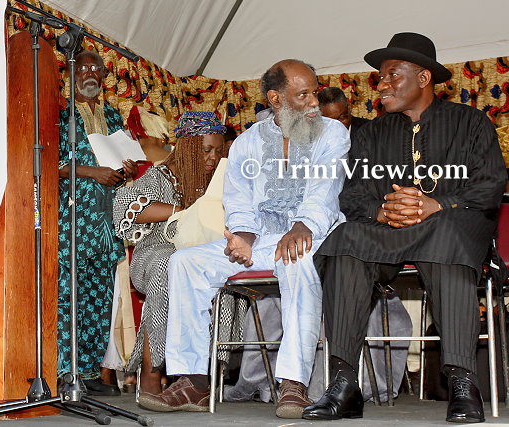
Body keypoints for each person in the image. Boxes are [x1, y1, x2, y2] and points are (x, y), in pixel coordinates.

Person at [303, 33, 506, 423]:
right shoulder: (371, 133)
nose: (381, 84)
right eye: (380, 77)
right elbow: (352, 195)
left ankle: (462, 382)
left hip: (448, 227)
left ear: (424, 78)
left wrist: (437, 204)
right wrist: (381, 211)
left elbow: (490, 185)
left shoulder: (470, 122)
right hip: (389, 232)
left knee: (447, 235)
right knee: (345, 238)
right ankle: (344, 383)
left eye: (392, 75)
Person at [137, 59, 350, 418]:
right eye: (303, 95)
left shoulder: (332, 133)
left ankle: (293, 384)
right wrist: (243, 238)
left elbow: (325, 189)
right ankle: (194, 383)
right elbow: (238, 201)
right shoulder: (247, 142)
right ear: (276, 99)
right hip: (262, 240)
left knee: (295, 256)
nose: (314, 101)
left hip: (315, 235)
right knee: (185, 261)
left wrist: (303, 226)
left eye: (314, 92)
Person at [113, 110, 226, 395]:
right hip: (155, 253)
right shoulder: (161, 175)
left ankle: (197, 376)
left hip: (200, 254)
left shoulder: (219, 179)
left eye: (218, 151)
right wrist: (185, 211)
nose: (213, 157)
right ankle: (151, 373)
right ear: (188, 147)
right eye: (206, 150)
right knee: (170, 265)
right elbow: (125, 207)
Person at [56, 49, 138, 396]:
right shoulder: (59, 113)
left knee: (101, 297)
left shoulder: (113, 115)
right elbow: (52, 163)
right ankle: (65, 372)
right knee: (69, 296)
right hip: (73, 220)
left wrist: (128, 168)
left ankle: (89, 373)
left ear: (104, 76)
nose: (90, 74)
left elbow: (124, 158)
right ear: (70, 74)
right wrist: (93, 172)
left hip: (107, 218)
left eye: (96, 69)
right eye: (83, 68)